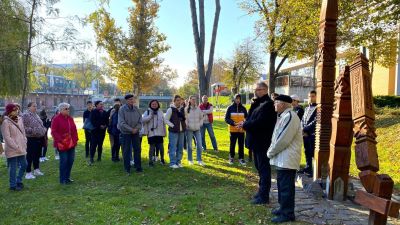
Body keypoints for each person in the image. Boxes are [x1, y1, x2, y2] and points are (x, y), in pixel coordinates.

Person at [267, 95, 302, 223]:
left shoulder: (290, 117)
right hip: (283, 158)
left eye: (276, 102)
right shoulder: (284, 116)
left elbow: (283, 140)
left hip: (287, 159)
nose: (274, 105)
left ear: (282, 104)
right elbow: (276, 136)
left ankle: (287, 213)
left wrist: (270, 152)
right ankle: (283, 208)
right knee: (282, 186)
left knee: (286, 188)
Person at [242, 82, 277, 204]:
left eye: (258, 89)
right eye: (255, 89)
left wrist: (245, 125)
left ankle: (264, 196)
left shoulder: (268, 104)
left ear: (265, 90)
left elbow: (260, 122)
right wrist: (253, 104)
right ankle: (261, 191)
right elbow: (251, 117)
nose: (255, 91)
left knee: (264, 169)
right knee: (259, 168)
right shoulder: (258, 103)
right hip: (255, 142)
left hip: (262, 142)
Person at [1, 103, 27, 191]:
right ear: (10, 111)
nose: (17, 111)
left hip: (21, 147)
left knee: (24, 165)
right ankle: (13, 185)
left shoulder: (19, 119)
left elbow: (23, 131)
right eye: (14, 110)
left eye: (17, 110)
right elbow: (7, 137)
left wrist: (25, 140)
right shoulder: (5, 121)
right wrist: (15, 146)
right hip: (12, 149)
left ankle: (18, 180)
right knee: (13, 167)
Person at [51, 103, 78, 185]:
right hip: (62, 144)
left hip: (71, 143)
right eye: (66, 109)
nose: (68, 110)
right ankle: (62, 179)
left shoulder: (70, 118)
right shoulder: (56, 119)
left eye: (68, 108)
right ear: (61, 110)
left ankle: (67, 177)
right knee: (64, 161)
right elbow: (53, 131)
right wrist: (60, 140)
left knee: (71, 160)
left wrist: (75, 140)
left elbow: (74, 130)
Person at [118, 94, 143, 174]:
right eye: (130, 99)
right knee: (126, 150)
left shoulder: (136, 109)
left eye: (133, 99)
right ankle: (127, 168)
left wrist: (136, 129)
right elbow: (121, 123)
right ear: (126, 100)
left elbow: (140, 121)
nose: (132, 101)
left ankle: (138, 167)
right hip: (126, 133)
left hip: (135, 132)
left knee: (137, 150)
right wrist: (131, 129)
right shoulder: (122, 109)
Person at [22, 102, 47, 179]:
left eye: (36, 106)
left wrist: (43, 129)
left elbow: (41, 125)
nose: (35, 107)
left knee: (37, 154)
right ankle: (28, 172)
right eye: (33, 106)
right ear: (29, 107)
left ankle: (36, 169)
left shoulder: (36, 115)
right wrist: (34, 130)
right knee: (30, 156)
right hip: (31, 138)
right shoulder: (25, 115)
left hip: (39, 138)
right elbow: (23, 127)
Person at [225, 94, 248, 166]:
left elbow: (247, 118)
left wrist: (243, 122)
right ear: (234, 99)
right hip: (233, 130)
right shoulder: (230, 108)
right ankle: (231, 157)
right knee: (232, 144)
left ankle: (241, 158)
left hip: (241, 130)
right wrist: (233, 123)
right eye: (236, 99)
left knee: (241, 145)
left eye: (239, 99)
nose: (238, 100)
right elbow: (226, 119)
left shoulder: (243, 108)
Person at [142, 100, 166, 166]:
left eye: (155, 104)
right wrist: (150, 116)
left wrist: (164, 132)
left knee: (161, 147)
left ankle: (162, 159)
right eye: (153, 104)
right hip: (151, 133)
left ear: (158, 105)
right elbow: (142, 120)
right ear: (150, 105)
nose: (154, 105)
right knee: (151, 147)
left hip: (159, 133)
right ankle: (150, 161)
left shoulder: (160, 112)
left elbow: (163, 122)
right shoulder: (147, 111)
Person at [165, 95, 186, 169]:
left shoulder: (182, 109)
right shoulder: (170, 109)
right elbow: (166, 120)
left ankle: (178, 162)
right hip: (173, 131)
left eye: (180, 100)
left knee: (180, 148)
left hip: (182, 131)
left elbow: (185, 119)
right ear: (174, 101)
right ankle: (172, 163)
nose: (179, 101)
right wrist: (172, 125)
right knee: (173, 148)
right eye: (177, 100)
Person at [299, 90, 317, 176]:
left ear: (316, 97)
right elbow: (303, 120)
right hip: (305, 134)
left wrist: (305, 129)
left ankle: (315, 171)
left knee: (313, 152)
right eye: (309, 96)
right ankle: (308, 168)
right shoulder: (306, 108)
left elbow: (315, 121)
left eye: (313, 96)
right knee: (306, 151)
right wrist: (302, 128)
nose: (311, 98)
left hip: (312, 134)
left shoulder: (318, 108)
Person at [185, 96, 205, 166]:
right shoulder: (186, 109)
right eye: (192, 99)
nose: (194, 101)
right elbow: (185, 119)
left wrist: (200, 124)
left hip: (197, 129)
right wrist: (187, 125)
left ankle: (199, 160)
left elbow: (202, 117)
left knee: (199, 145)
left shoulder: (198, 109)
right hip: (189, 129)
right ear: (189, 100)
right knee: (189, 145)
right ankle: (190, 160)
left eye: (195, 99)